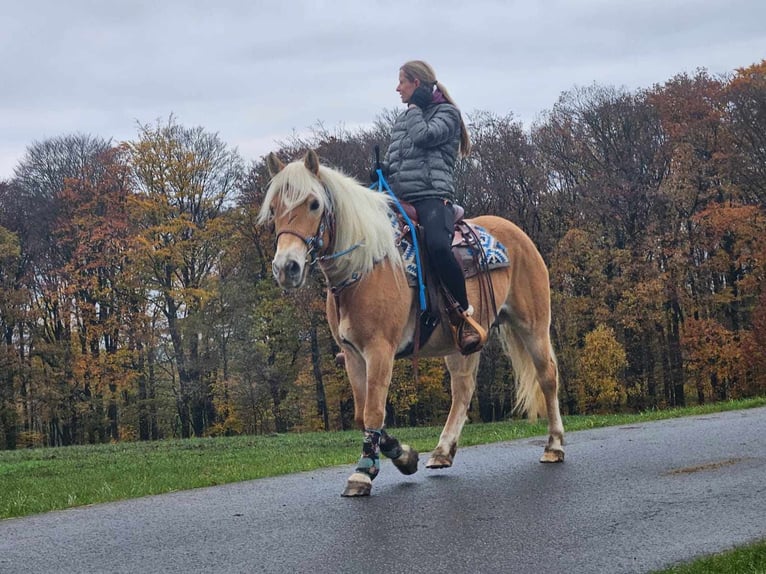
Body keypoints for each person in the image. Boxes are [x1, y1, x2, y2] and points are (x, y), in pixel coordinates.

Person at [380, 60, 487, 354]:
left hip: (432, 197)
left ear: (416, 83)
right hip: (400, 198)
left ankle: (462, 316)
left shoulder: (447, 114)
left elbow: (424, 137)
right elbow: (397, 158)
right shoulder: (403, 119)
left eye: (402, 82)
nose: (397, 88)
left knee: (439, 247)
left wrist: (415, 110)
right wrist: (381, 170)